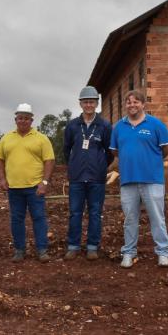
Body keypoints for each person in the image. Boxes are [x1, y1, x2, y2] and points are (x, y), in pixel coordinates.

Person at [110, 90, 168, 268]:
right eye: (128, 102)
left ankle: (162, 253)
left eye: (136, 102)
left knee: (157, 218)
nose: (132, 105)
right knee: (130, 219)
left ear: (143, 104)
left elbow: (167, 148)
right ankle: (129, 253)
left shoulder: (155, 125)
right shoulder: (119, 127)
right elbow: (115, 151)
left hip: (152, 179)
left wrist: (151, 159)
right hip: (128, 180)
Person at [0, 103, 55, 263]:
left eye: (26, 118)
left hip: (35, 187)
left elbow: (49, 160)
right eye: (20, 118)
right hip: (14, 188)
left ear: (31, 120)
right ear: (15, 119)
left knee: (39, 218)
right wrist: (1, 179)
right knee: (17, 219)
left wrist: (45, 182)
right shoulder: (6, 138)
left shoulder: (41, 138)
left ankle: (42, 250)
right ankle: (19, 250)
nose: (23, 121)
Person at [62, 86, 114, 261]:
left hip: (97, 178)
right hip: (76, 178)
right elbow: (66, 149)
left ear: (96, 103)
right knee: (75, 212)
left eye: (92, 101)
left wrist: (100, 166)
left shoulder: (105, 126)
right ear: (80, 104)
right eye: (85, 102)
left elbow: (109, 151)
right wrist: (74, 166)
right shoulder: (72, 126)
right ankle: (73, 246)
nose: (88, 105)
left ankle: (92, 247)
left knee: (95, 213)